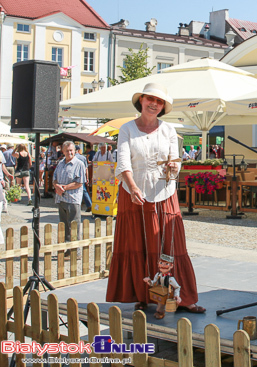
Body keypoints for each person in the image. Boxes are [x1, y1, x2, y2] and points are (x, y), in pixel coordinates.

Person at [106, 82, 205, 314]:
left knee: (172, 245)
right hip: (134, 194)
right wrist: (132, 187)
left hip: (164, 193)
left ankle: (183, 298)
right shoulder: (127, 129)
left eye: (159, 101)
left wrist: (173, 165)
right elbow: (123, 162)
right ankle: (144, 295)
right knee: (137, 244)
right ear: (141, 100)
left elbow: (175, 161)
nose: (154, 104)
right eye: (150, 99)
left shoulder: (169, 130)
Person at [53, 141, 86, 244]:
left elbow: (80, 182)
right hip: (61, 199)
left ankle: (76, 252)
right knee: (64, 227)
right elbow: (54, 178)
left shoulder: (79, 164)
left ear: (75, 151)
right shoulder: (60, 163)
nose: (69, 153)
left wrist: (64, 188)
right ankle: (66, 250)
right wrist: (56, 186)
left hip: (72, 199)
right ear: (63, 151)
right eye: (67, 151)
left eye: (71, 150)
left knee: (74, 227)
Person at [75, 146, 93, 212]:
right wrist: (87, 177)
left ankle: (79, 206)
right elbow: (86, 168)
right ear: (79, 150)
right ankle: (89, 204)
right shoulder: (83, 158)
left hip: (74, 176)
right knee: (83, 190)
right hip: (82, 176)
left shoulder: (72, 158)